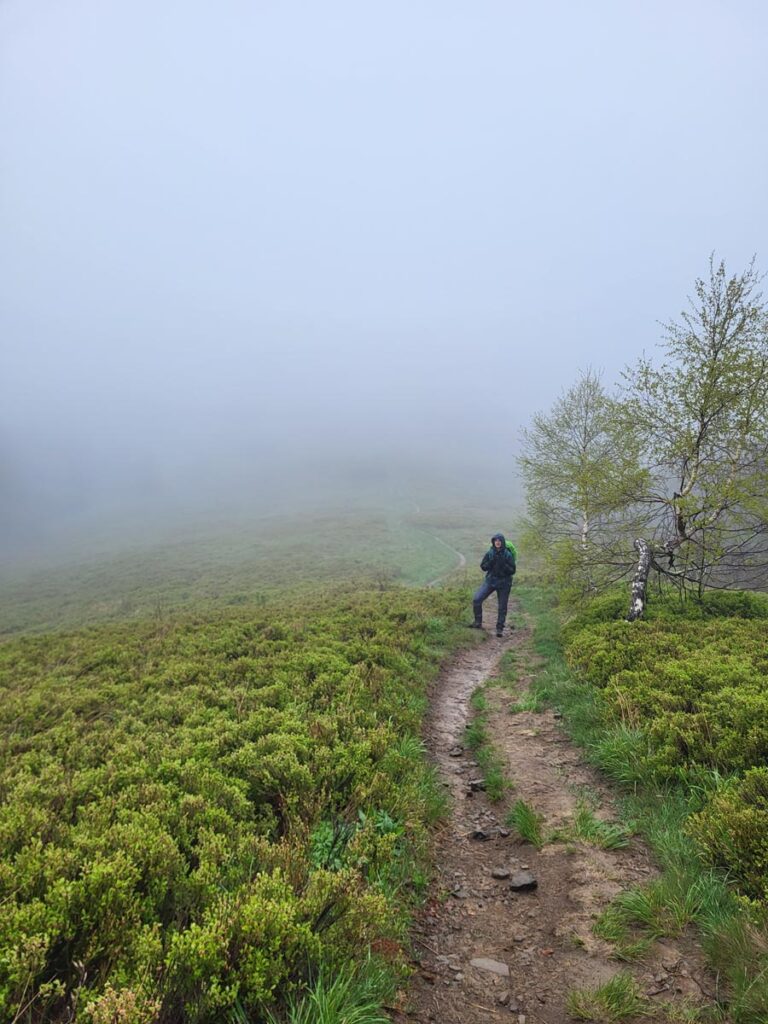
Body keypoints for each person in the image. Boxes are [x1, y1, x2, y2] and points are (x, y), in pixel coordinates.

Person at [470, 532, 516, 637]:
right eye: (496, 541)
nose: (498, 542)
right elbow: (483, 566)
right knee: (477, 599)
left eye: (499, 541)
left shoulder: (508, 554)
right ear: (493, 542)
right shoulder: (490, 553)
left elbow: (513, 570)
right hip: (491, 581)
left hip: (504, 583)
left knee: (502, 607)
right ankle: (477, 623)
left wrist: (504, 565)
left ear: (502, 542)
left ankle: (499, 629)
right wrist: (491, 563)